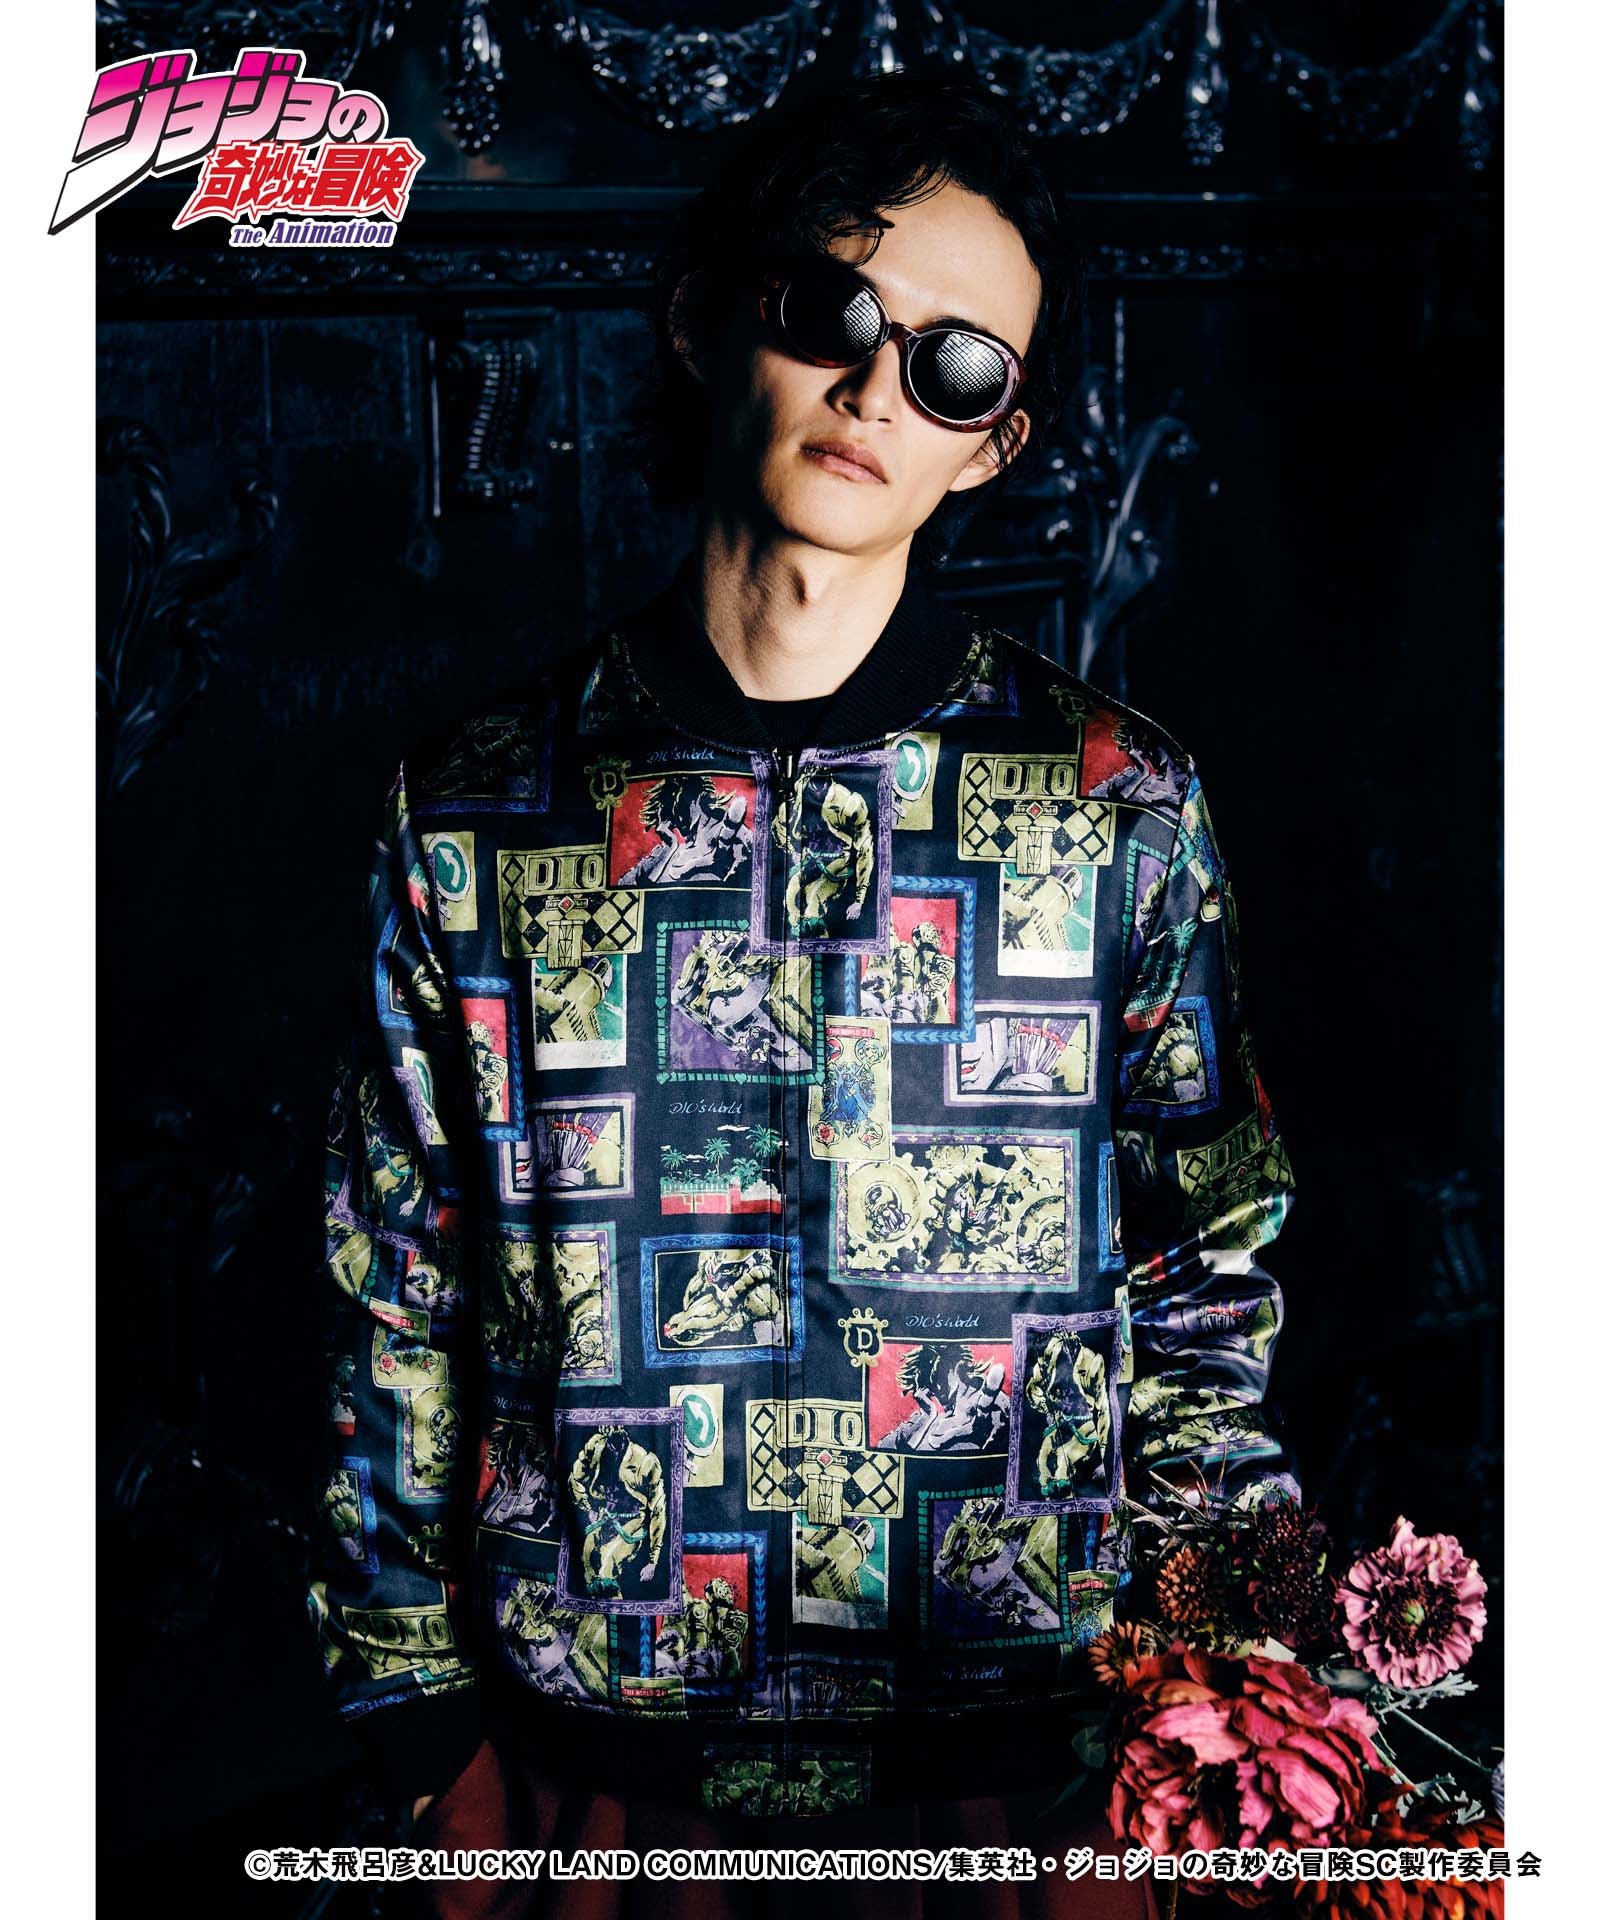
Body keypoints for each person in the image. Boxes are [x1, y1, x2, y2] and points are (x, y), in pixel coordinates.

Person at [307, 67, 1301, 1919]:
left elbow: (1205, 1265)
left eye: (956, 365)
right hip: (595, 1773)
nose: (875, 389)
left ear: (992, 444)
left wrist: (1211, 1704)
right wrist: (415, 1726)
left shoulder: (1117, 805)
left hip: (1022, 1769)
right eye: (833, 309)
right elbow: (394, 1280)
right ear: (709, 318)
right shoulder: (476, 811)